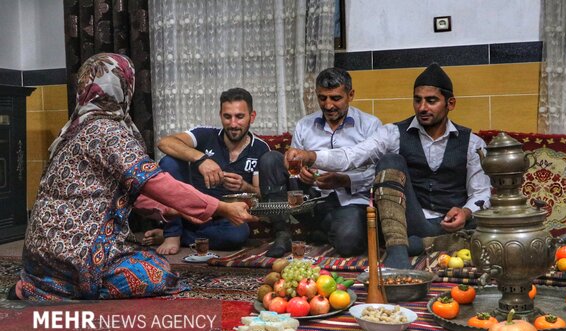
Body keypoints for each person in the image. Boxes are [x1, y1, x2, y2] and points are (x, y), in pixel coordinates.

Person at [11, 53, 256, 301]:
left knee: (144, 256)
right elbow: (153, 182)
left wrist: (169, 211)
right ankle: (64, 286)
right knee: (157, 272)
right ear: (124, 87)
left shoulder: (72, 130)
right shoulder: (108, 131)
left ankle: (44, 282)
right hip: (78, 253)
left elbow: (123, 192)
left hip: (38, 254)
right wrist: (222, 207)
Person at [285, 63, 491, 268]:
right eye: (417, 100)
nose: (422, 108)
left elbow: (481, 193)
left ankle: (427, 243)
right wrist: (311, 156)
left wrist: (465, 212)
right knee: (390, 161)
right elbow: (353, 156)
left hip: (451, 223)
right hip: (410, 222)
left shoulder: (473, 143)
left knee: (480, 230)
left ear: (451, 103)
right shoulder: (393, 133)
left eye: (431, 101)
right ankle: (398, 251)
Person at [258, 67, 382, 258]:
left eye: (335, 98)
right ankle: (282, 233)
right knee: (270, 160)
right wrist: (299, 172)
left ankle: (325, 231)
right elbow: (293, 165)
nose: (328, 105)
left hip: (349, 201)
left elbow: (377, 173)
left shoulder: (370, 125)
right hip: (309, 199)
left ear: (351, 95)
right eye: (322, 98)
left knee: (349, 244)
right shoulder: (304, 125)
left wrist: (344, 180)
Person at [142, 88, 270, 255]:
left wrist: (245, 187)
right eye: (227, 116)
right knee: (169, 161)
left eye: (239, 117)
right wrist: (201, 159)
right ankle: (172, 233)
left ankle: (180, 236)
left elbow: (262, 194)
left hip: (223, 218)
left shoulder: (260, 148)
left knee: (238, 235)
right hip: (188, 213)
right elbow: (165, 143)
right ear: (220, 115)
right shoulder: (205, 135)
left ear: (251, 117)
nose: (233, 124)